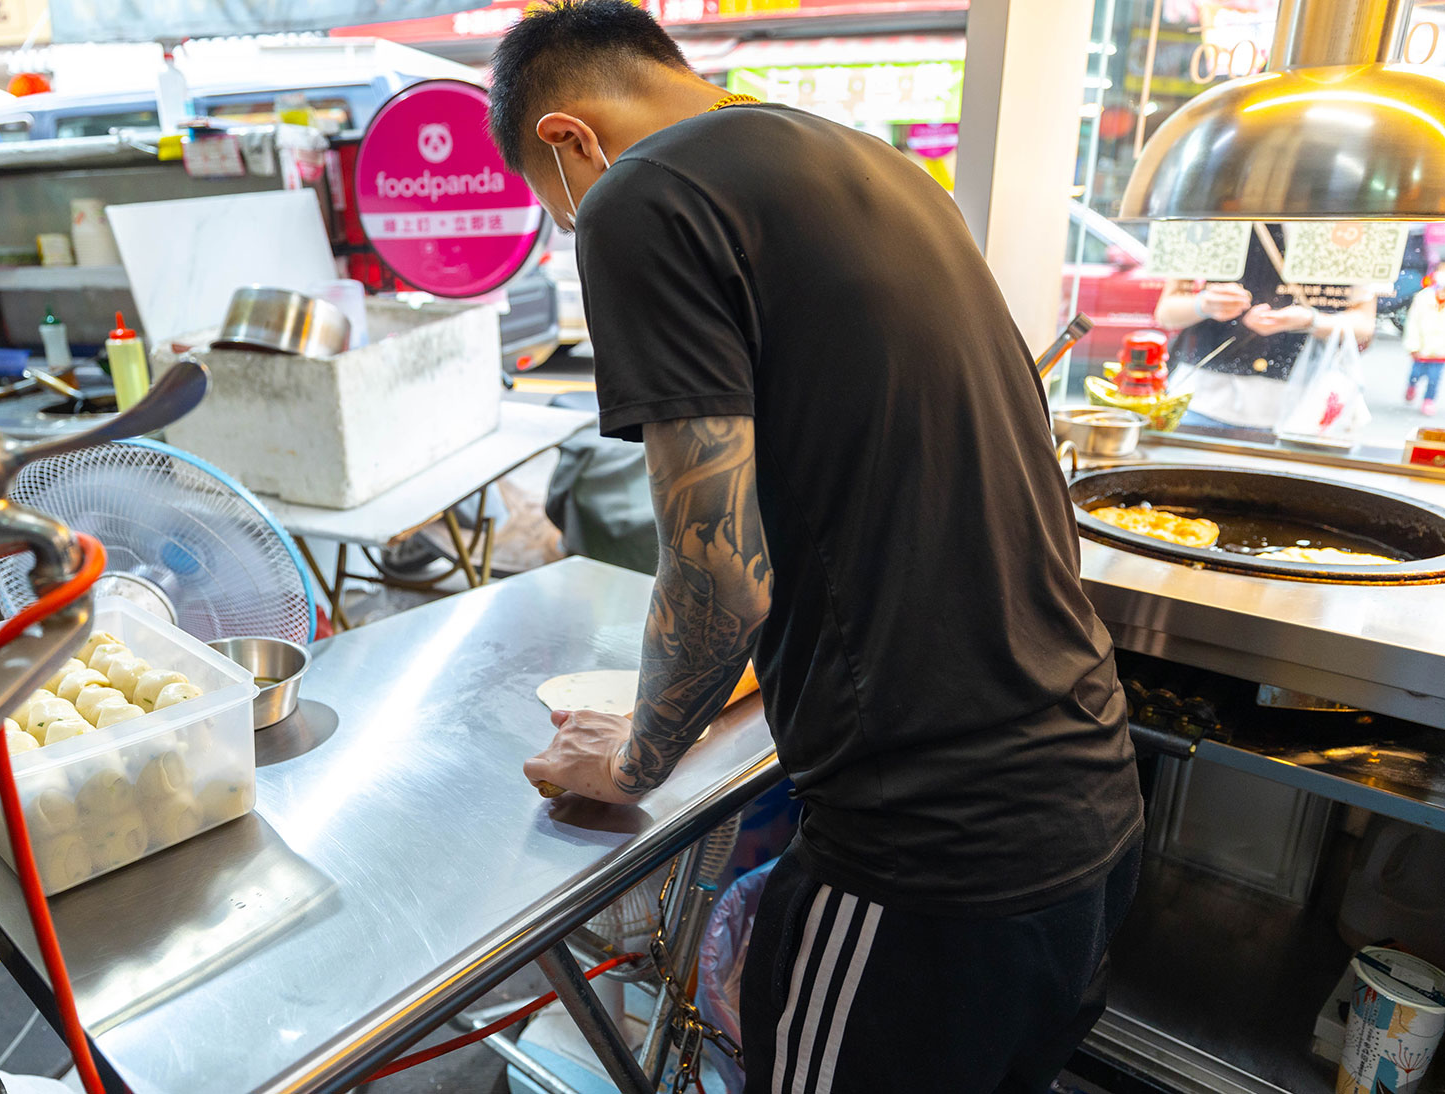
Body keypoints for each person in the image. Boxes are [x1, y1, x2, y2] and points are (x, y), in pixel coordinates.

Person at [492, 4, 1144, 1090]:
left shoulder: (637, 196)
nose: (572, 227)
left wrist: (629, 760)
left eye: (554, 207)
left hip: (926, 861)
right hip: (1088, 806)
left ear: (570, 138)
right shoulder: (874, 170)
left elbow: (715, 568)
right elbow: (863, 494)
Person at [1154, 225, 1376, 432]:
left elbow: (1365, 323)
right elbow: (1166, 311)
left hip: (1299, 410)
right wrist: (1204, 304)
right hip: (1202, 399)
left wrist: (1310, 320)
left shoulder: (1341, 226)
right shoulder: (1218, 215)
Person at [1403, 269, 1445, 417]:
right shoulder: (1423, 298)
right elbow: (1413, 323)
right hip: (1422, 347)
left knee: (1434, 378)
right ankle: (1412, 386)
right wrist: (1413, 345)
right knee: (1416, 373)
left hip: (1440, 350)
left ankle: (1429, 400)